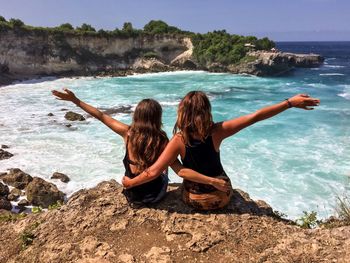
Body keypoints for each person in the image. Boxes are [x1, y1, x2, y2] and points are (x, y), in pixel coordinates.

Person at [122, 91, 320, 210]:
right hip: (221, 197)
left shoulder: (178, 140)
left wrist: (131, 182)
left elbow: (156, 171)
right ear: (206, 110)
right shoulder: (218, 131)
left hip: (194, 199)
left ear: (183, 112)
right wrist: (289, 103)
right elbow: (256, 116)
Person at [52, 88, 229, 204]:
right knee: (165, 163)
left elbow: (101, 116)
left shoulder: (127, 133)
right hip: (155, 196)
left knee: (146, 164)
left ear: (137, 116)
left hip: (133, 195)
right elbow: (170, 169)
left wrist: (76, 100)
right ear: (158, 118)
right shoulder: (163, 140)